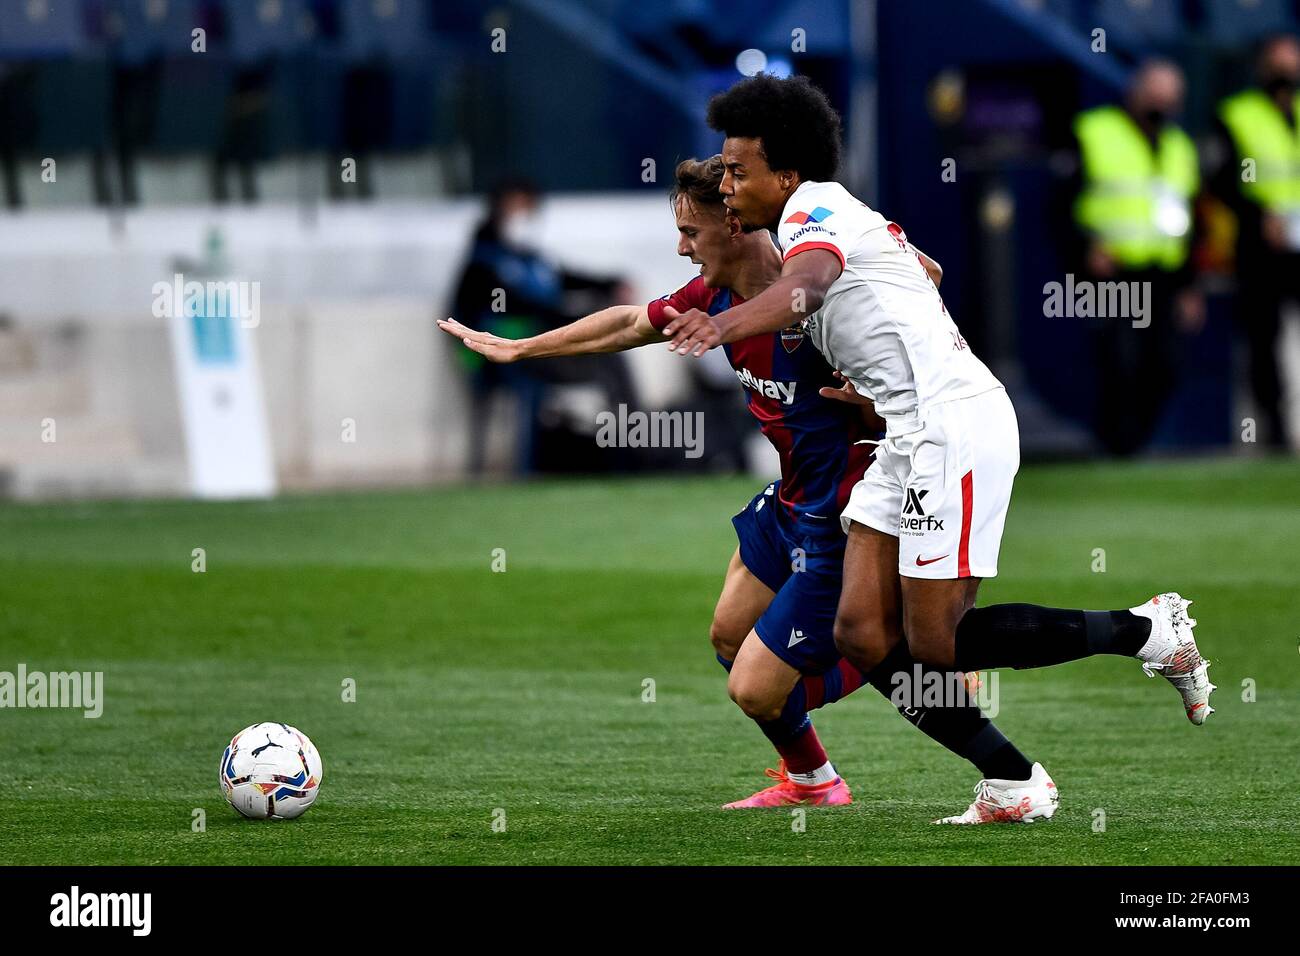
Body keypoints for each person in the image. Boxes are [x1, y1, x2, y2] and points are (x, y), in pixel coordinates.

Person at [662, 75, 1215, 824]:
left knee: (935, 645)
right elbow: (921, 275)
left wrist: (722, 327)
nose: (724, 184)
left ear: (785, 174)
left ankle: (1145, 630)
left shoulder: (814, 211)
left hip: (954, 430)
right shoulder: (819, 219)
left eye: (737, 169)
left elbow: (811, 288)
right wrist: (890, 375)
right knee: (860, 632)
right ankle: (1013, 781)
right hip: (906, 434)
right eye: (723, 169)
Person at [441, 156, 1046, 817]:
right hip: (789, 498)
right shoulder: (713, 296)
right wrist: (519, 349)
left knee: (760, 687)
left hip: (842, 509)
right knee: (729, 636)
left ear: (734, 225)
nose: (680, 246)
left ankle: (918, 666)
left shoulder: (812, 287)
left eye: (690, 230)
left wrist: (880, 393)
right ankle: (816, 781)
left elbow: (916, 272)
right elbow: (626, 323)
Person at [449, 177, 637, 474]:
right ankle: (529, 470)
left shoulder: (532, 260)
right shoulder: (482, 264)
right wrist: (574, 318)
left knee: (613, 359)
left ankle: (630, 456)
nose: (526, 218)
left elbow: (567, 279)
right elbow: (523, 305)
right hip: (499, 361)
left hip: (539, 352)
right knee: (597, 361)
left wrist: (612, 283)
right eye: (519, 209)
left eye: (530, 210)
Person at [1064, 59, 1204, 455]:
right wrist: (1084, 250)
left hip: (1164, 275)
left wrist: (1190, 284)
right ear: (1135, 92)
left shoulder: (1180, 146)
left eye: (1170, 95)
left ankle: (1131, 445)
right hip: (1113, 274)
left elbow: (1191, 220)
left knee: (1167, 367)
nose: (1161, 102)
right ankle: (1116, 447)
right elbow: (1059, 205)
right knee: (1119, 364)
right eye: (1155, 92)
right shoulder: (1095, 132)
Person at [1211, 34, 1300, 450]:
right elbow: (1221, 178)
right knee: (1264, 340)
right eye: (1278, 64)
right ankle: (1275, 430)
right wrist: (1257, 215)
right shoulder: (1238, 114)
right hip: (1261, 247)